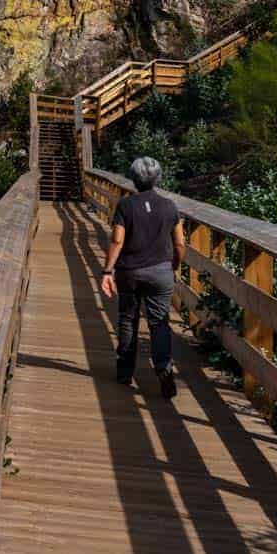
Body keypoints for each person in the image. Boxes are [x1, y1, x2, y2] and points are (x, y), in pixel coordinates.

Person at [98, 156, 185, 398]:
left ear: (133, 178)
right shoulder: (170, 206)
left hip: (130, 272)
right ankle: (163, 369)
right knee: (159, 323)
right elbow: (179, 243)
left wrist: (107, 271)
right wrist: (174, 266)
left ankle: (125, 372)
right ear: (158, 178)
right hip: (161, 272)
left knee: (128, 320)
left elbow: (117, 240)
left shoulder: (126, 206)